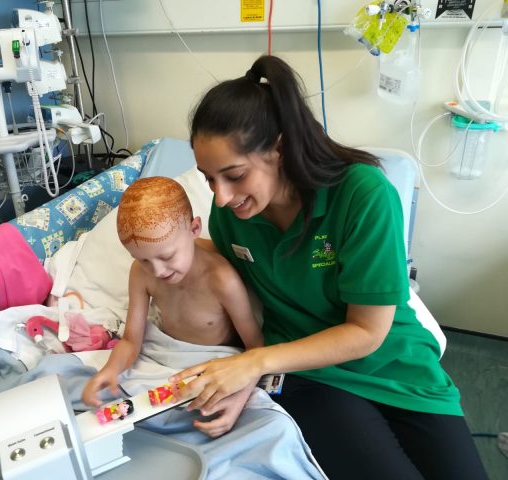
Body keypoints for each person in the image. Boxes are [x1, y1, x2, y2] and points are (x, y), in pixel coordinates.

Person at [170, 55, 487, 479]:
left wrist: (254, 364)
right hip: (309, 374)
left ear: (279, 147)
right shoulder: (231, 219)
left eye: (234, 175)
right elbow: (225, 281)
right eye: (209, 179)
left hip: (395, 364)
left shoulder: (363, 195)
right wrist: (169, 255)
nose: (222, 196)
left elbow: (367, 331)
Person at [81, 176, 263, 438]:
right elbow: (132, 341)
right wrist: (110, 371)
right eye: (142, 260)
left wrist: (240, 395)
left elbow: (255, 349)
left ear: (194, 228)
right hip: (160, 358)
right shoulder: (141, 273)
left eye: (167, 256)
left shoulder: (221, 280)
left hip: (209, 363)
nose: (157, 271)